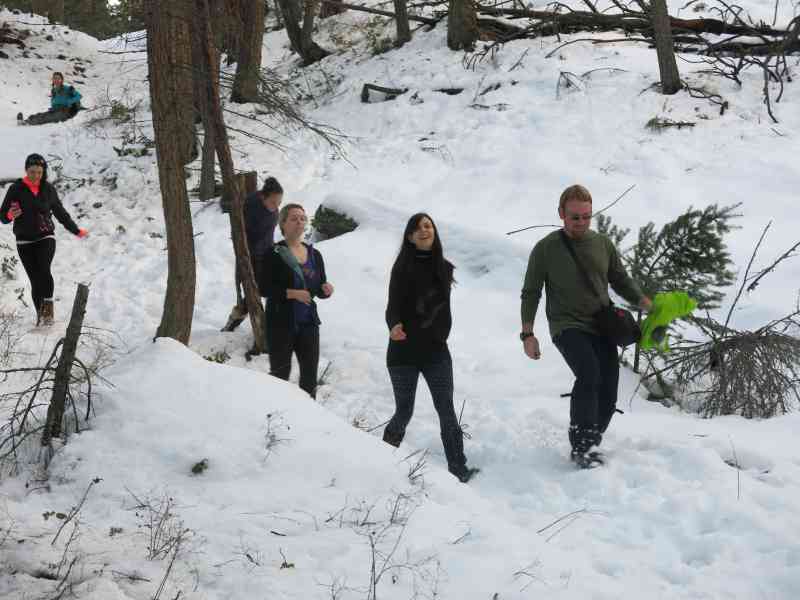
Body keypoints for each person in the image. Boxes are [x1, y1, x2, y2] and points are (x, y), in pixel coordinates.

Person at [520, 184, 651, 469]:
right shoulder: (545, 249)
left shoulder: (602, 244)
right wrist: (528, 334)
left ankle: (591, 439)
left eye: (586, 216)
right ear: (561, 214)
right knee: (589, 373)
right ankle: (583, 445)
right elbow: (531, 292)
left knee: (609, 392)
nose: (580, 222)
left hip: (600, 325)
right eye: (574, 216)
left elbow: (619, 278)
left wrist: (641, 300)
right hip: (566, 326)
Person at [382, 213, 479, 483]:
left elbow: (441, 309)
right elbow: (392, 307)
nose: (424, 230)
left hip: (436, 351)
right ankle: (381, 460)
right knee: (404, 411)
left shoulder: (444, 268)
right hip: (403, 351)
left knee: (446, 408)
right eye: (417, 228)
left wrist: (440, 334)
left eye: (428, 226)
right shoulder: (401, 268)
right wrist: (393, 325)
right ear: (410, 237)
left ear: (434, 231)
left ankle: (458, 469)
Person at [0, 153, 88, 326]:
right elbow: (2, 217)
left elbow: (60, 213)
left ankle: (48, 314)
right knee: (35, 280)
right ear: (26, 170)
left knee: (43, 271)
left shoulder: (48, 189)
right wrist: (11, 214)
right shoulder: (16, 189)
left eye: (39, 172)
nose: (36, 176)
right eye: (32, 172)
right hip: (24, 241)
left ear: (43, 172)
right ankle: (41, 317)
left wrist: (76, 230)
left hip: (45, 237)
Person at [265, 203, 333, 398]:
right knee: (280, 376)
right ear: (283, 223)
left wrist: (325, 290)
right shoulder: (274, 253)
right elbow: (264, 288)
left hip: (308, 323)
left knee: (310, 378)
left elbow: (319, 287)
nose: (299, 222)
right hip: (280, 322)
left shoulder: (315, 255)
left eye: (302, 218)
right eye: (294, 218)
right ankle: (277, 421)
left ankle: (308, 422)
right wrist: (292, 293)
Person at [222, 177, 284, 336]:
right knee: (255, 291)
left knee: (268, 289)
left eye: (279, 202)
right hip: (251, 257)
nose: (277, 206)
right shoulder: (252, 208)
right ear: (264, 197)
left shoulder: (269, 207)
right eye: (274, 202)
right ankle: (237, 319)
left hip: (267, 253)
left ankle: (246, 318)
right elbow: (242, 231)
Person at [18, 72, 82, 126]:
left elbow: (79, 96)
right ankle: (26, 120)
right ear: (53, 80)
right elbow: (55, 101)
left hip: (66, 112)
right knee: (42, 114)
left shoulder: (67, 88)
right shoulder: (54, 90)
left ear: (62, 80)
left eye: (58, 78)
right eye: (55, 78)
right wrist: (53, 107)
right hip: (56, 110)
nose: (56, 80)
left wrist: (70, 101)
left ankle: (28, 123)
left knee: (48, 117)